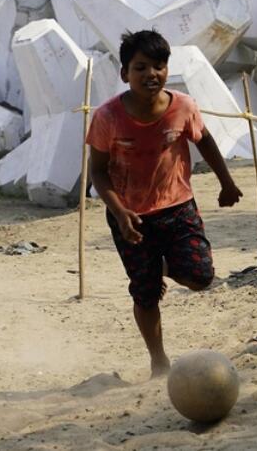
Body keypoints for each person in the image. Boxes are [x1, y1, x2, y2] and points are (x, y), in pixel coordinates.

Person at [87, 29, 243, 378]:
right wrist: (119, 211)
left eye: (158, 66)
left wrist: (227, 182)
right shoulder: (108, 117)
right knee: (145, 293)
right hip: (130, 218)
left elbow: (205, 142)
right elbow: (97, 172)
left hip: (178, 208)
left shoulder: (183, 107)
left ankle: (163, 265)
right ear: (125, 73)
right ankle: (158, 359)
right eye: (141, 67)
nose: (150, 75)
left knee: (202, 277)